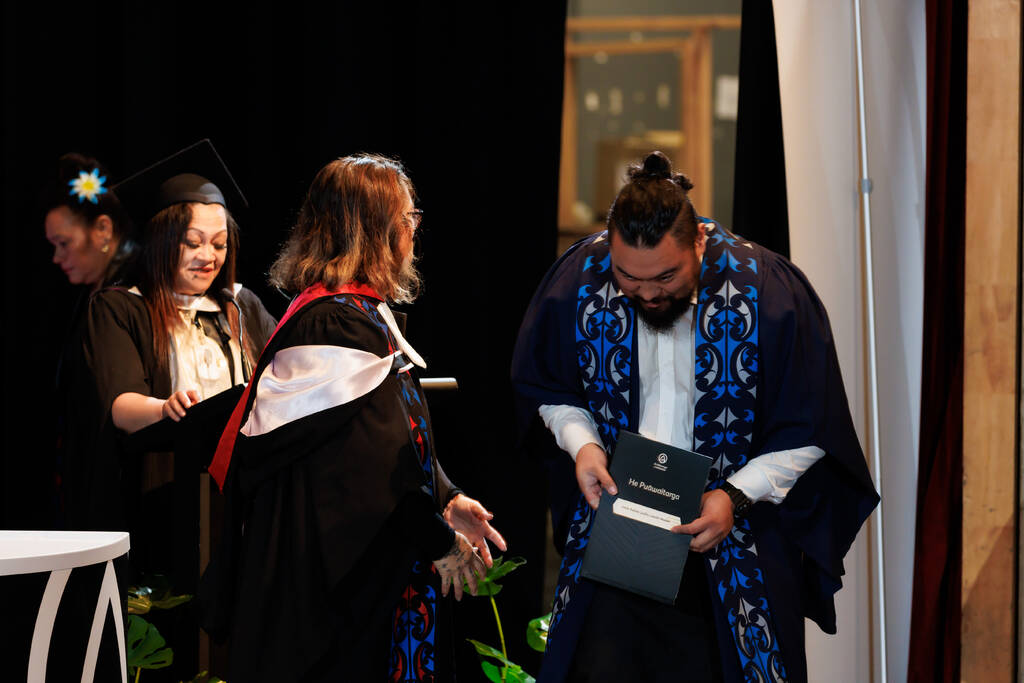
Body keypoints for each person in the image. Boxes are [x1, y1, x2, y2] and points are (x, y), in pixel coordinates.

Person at [511, 151, 879, 683]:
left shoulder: (769, 291)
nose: (646, 294)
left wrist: (734, 496)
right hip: (620, 540)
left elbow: (812, 424)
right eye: (627, 279)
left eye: (665, 276)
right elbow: (546, 384)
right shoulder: (580, 278)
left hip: (733, 544)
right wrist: (582, 443)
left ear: (699, 244)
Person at [199, 153, 508, 682]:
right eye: (407, 219)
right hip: (334, 591)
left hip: (361, 568)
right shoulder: (334, 325)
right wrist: (439, 541)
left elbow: (401, 433)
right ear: (373, 232)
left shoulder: (357, 314)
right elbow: (375, 469)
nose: (414, 232)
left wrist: (446, 496)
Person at [81, 139, 276, 576]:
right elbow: (119, 405)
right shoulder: (121, 307)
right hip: (158, 498)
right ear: (162, 241)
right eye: (193, 243)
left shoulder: (242, 308)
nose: (209, 257)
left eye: (220, 245)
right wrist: (165, 408)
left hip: (241, 503)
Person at [42, 153, 137, 529]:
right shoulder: (92, 295)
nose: (56, 256)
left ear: (103, 229)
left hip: (117, 486)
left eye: (63, 243)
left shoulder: (125, 297)